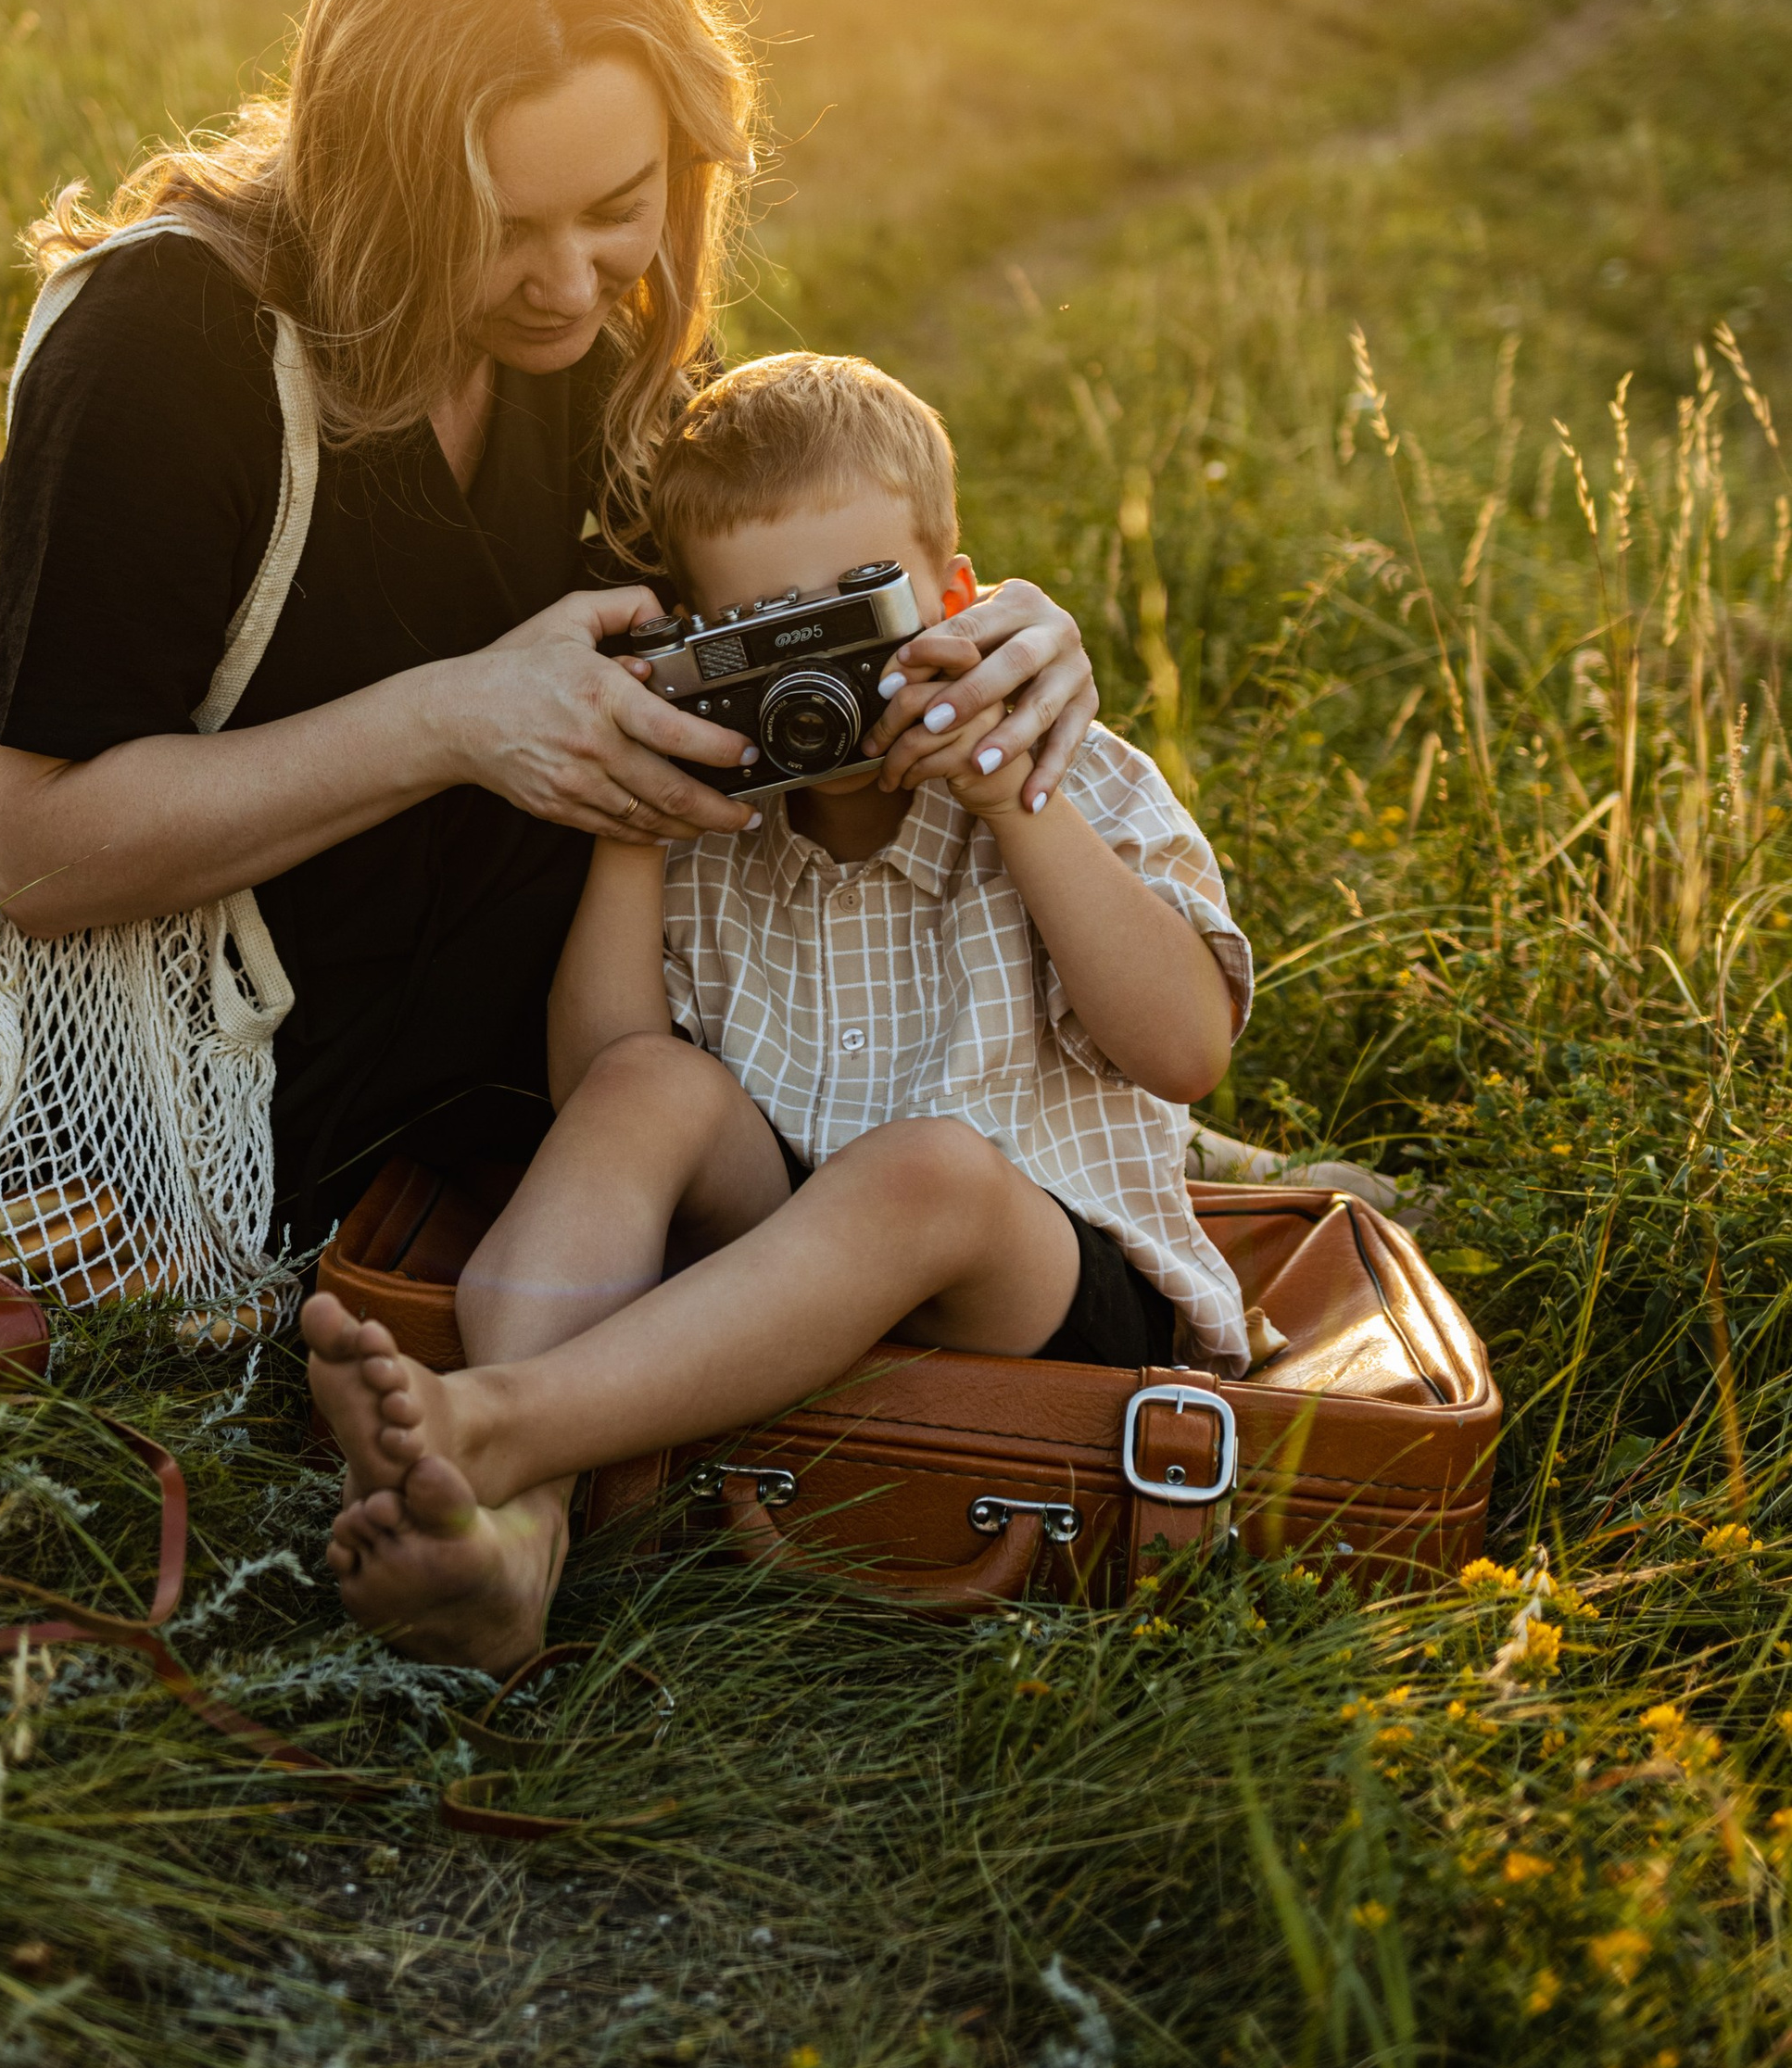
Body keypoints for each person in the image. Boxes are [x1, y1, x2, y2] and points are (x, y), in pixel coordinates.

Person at [0, 0, 1104, 1272]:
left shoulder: (607, 336)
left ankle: (1076, 1129)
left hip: (448, 942)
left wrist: (993, 648)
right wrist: (449, 719)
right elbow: (37, 856)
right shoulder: (165, 346)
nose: (570, 282)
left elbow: (768, 615)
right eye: (496, 228)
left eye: (617, 206)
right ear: (371, 180)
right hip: (130, 984)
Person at [306, 348, 1252, 1668]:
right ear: (697, 643)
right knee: (652, 1083)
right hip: (776, 1246)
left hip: (1037, 1283)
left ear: (959, 595)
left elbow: (1184, 1050)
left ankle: (500, 1426)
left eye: (857, 615)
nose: (824, 684)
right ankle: (512, 1535)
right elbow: (599, 1093)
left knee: (923, 1170)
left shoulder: (1062, 765)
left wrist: (1009, 800)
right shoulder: (708, 830)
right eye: (766, 638)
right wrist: (636, 814)